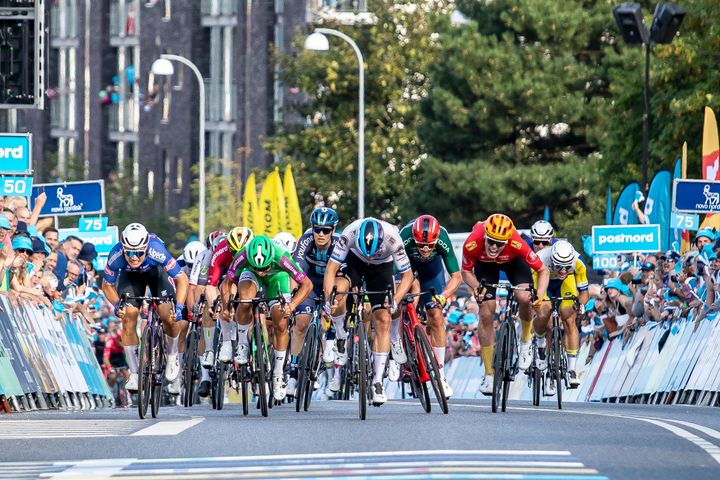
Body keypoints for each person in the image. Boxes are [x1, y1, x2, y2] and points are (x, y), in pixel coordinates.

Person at [323, 218, 414, 406]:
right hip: (355, 261)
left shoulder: (392, 238)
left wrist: (395, 301)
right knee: (338, 292)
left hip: (382, 267)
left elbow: (408, 276)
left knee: (383, 318)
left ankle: (377, 382)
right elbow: (330, 271)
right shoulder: (350, 233)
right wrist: (328, 299)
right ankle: (340, 335)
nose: (370, 257)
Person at [461, 214, 549, 395]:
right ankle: (489, 374)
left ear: (507, 241)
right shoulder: (472, 242)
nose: (494, 247)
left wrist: (539, 295)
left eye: (500, 243)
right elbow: (466, 272)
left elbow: (542, 270)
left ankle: (525, 341)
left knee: (524, 298)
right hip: (486, 267)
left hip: (513, 263)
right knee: (486, 312)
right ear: (485, 236)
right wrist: (477, 288)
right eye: (491, 242)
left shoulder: (517, 243)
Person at [220, 235, 313, 401]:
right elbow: (227, 282)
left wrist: (291, 306)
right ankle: (242, 344)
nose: (261, 271)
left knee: (281, 321)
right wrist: (226, 305)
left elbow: (307, 285)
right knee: (245, 299)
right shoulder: (243, 255)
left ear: (272, 258)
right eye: (258, 267)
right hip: (249, 274)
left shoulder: (282, 257)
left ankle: (278, 374)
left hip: (276, 277)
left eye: (264, 267)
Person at [101, 223, 189, 393]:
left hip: (157, 275)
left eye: (139, 253)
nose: (134, 257)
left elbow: (182, 279)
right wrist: (117, 304)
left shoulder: (157, 250)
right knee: (128, 317)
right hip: (131, 279)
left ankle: (172, 355)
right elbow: (107, 285)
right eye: (130, 253)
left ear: (146, 248)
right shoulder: (115, 254)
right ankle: (134, 373)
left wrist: (178, 306)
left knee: (167, 315)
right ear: (123, 249)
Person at [398, 214, 462, 397]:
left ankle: (440, 374)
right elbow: (394, 271)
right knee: (402, 304)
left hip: (431, 271)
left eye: (429, 245)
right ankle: (401, 348)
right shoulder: (405, 236)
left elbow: (456, 277)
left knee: (435, 314)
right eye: (421, 245)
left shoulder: (442, 237)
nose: (425, 249)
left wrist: (443, 296)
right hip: (406, 267)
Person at [289, 207, 345, 396]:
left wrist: (333, 296)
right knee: (301, 322)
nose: (320, 234)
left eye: (326, 230)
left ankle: (330, 340)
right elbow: (295, 270)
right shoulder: (305, 240)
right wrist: (293, 295)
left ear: (333, 230)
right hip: (310, 282)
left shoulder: (339, 243)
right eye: (317, 229)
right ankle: (293, 374)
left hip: (330, 281)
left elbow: (342, 275)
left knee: (337, 299)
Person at [532, 240, 589, 391]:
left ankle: (571, 369)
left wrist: (580, 306)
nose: (563, 270)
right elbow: (535, 291)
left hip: (565, 285)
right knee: (545, 314)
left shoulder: (578, 263)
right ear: (552, 260)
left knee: (569, 319)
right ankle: (540, 340)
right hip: (543, 280)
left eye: (566, 267)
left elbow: (584, 293)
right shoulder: (540, 258)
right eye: (559, 267)